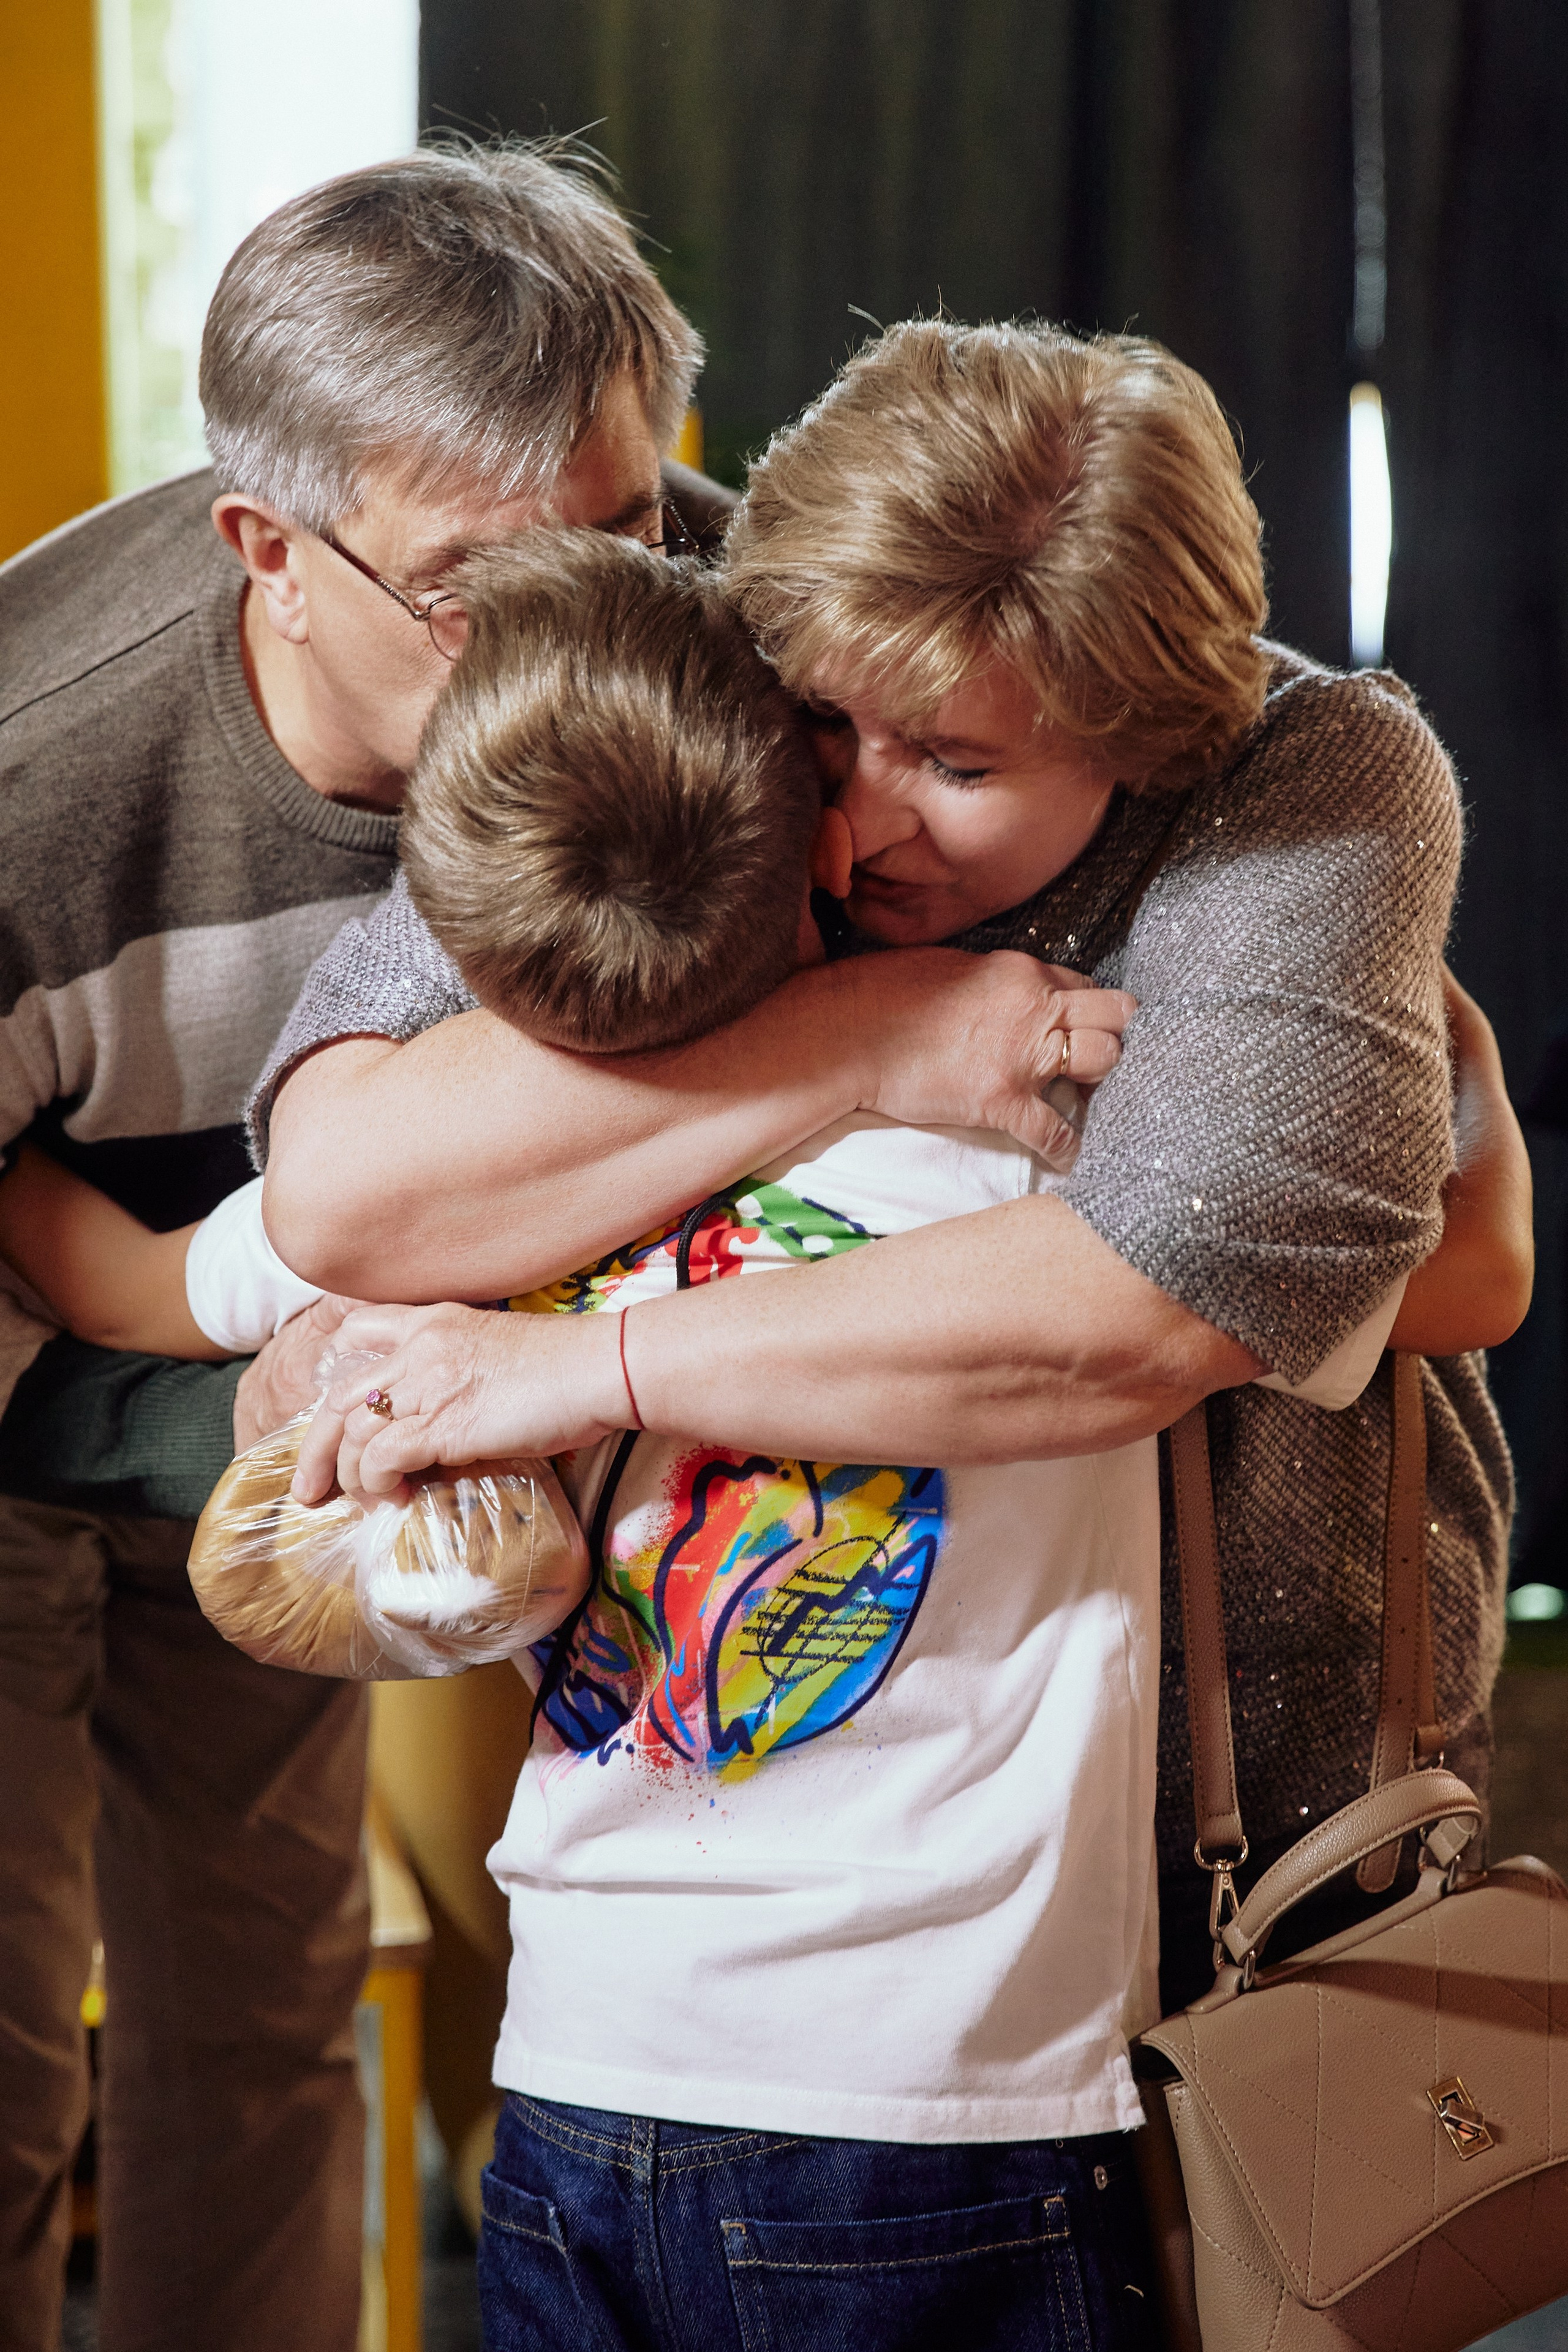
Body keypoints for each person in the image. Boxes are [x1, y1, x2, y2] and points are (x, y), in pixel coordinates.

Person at [263, 319, 1526, 2071]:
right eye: (827, 727)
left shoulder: (1305, 776)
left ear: (1157, 738)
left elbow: (1163, 1300)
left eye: (960, 764)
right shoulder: (717, 675)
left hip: (1240, 1846)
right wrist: (862, 1033)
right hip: (721, 1867)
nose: (852, 825)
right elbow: (339, 1182)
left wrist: (577, 1346)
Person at [0, 135, 747, 2351]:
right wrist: (185, 1376)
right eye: (474, 582)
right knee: (13, 2055)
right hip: (54, 1351)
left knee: (261, 2019)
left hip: (333, 1402)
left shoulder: (677, 590)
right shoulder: (38, 771)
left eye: (622, 535)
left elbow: (1112, 656)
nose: (583, 636)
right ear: (269, 549)